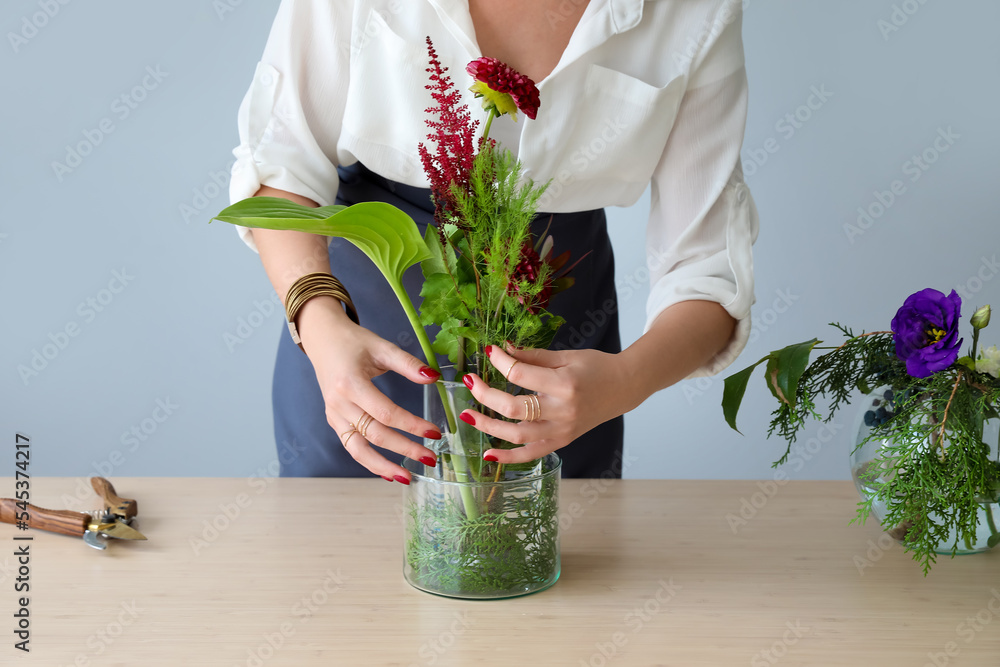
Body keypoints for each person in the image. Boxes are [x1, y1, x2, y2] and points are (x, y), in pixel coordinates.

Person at [227, 0, 759, 482]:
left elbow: (707, 267)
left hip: (557, 373)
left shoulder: (696, 10)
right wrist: (319, 326)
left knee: (543, 574)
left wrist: (622, 383)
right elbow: (283, 166)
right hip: (358, 346)